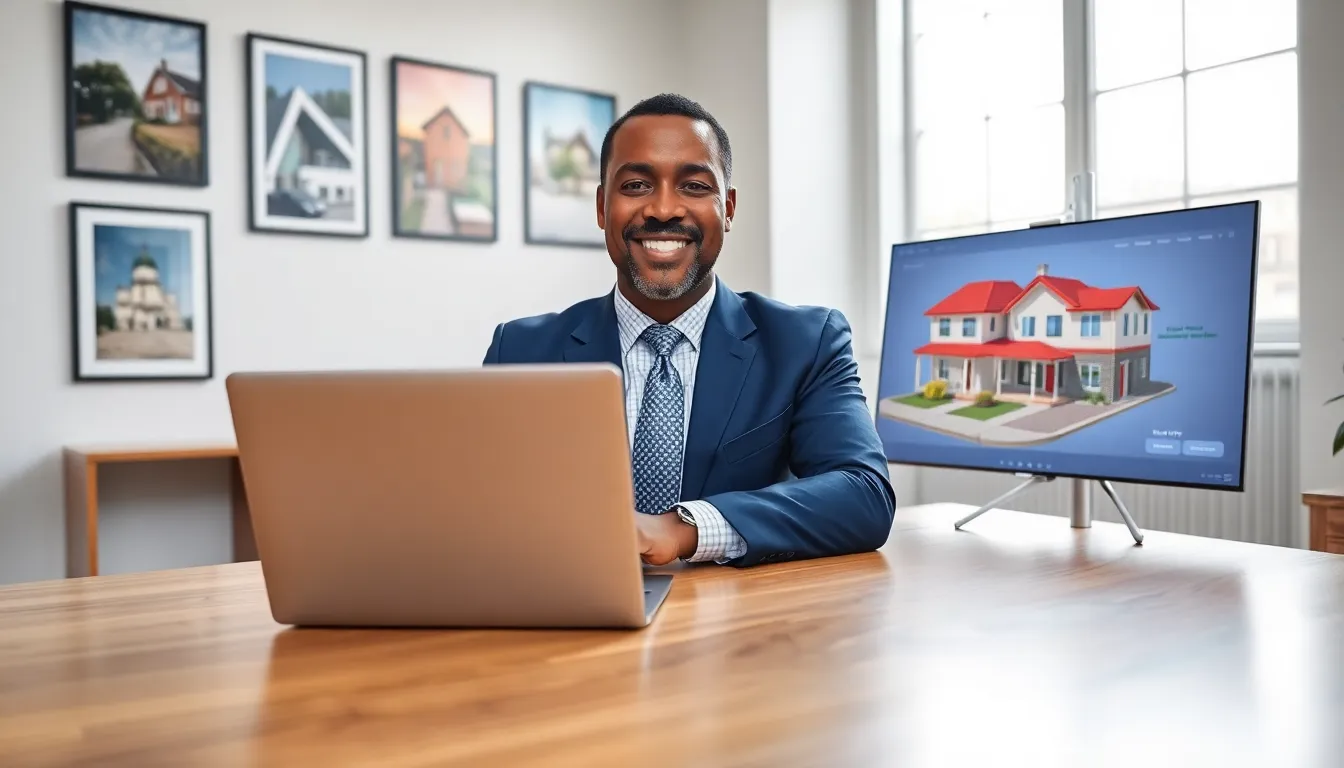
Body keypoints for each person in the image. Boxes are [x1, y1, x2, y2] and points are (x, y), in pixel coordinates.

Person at [483, 93, 895, 567]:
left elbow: (864, 494)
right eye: (636, 185)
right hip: (570, 610)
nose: (662, 209)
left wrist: (685, 528)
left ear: (729, 208)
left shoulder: (806, 342)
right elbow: (476, 506)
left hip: (734, 623)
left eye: (694, 187)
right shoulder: (519, 350)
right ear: (601, 207)